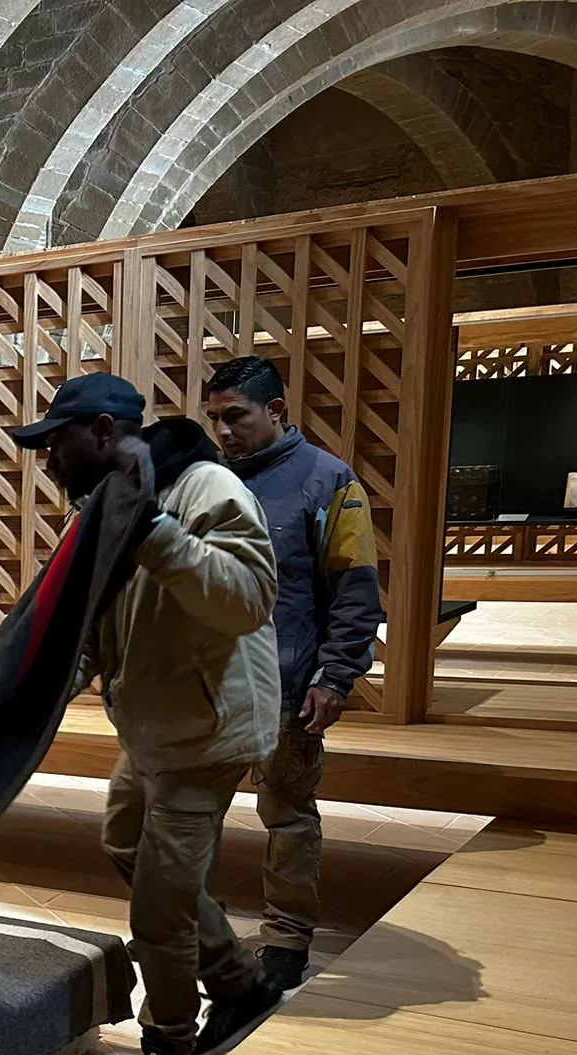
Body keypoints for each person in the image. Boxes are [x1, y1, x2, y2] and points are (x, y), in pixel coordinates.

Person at [16, 373, 286, 1055]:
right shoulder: (101, 510)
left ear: (102, 432)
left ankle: (169, 1045)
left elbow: (244, 598)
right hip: (153, 725)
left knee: (160, 906)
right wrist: (29, 695)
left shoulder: (205, 489)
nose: (48, 461)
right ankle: (237, 979)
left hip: (206, 732)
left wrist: (154, 534)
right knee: (124, 840)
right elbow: (87, 625)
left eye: (55, 444)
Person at [204, 355, 384, 993]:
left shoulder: (328, 481)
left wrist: (335, 677)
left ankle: (285, 938)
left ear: (276, 410)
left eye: (237, 417)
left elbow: (357, 591)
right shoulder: (206, 483)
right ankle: (200, 930)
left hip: (286, 685)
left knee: (287, 816)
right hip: (210, 690)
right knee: (190, 815)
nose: (224, 431)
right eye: (215, 419)